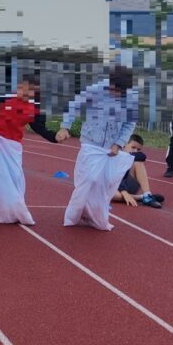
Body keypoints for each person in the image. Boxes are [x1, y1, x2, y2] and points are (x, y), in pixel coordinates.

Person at [56, 66, 139, 231]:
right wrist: (65, 127)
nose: (118, 94)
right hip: (90, 143)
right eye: (116, 90)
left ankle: (94, 217)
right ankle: (73, 215)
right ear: (110, 84)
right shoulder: (96, 90)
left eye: (121, 92)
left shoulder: (130, 99)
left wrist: (119, 143)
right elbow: (74, 105)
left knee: (103, 184)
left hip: (110, 148)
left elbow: (130, 123)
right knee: (88, 180)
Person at [0, 75, 57, 226]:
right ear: (19, 87)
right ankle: (16, 212)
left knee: (16, 179)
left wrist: (55, 137)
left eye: (32, 91)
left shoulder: (35, 109)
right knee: (1, 179)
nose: (27, 93)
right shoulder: (4, 98)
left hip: (13, 147)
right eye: (24, 89)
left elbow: (40, 129)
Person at [112, 135, 165, 209]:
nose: (135, 151)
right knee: (108, 194)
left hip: (127, 186)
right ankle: (141, 197)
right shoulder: (114, 155)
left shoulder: (132, 157)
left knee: (138, 162)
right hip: (114, 188)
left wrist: (129, 156)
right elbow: (113, 178)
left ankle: (147, 195)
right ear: (123, 145)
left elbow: (141, 156)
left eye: (138, 149)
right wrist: (123, 192)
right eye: (133, 147)